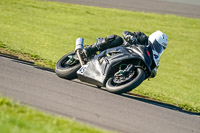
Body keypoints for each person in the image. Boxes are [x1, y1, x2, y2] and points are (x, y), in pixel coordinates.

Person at [83, 30, 168, 78]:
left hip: (130, 59)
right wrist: (130, 37)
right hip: (121, 49)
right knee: (117, 38)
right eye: (157, 45)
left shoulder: (154, 57)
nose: (158, 48)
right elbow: (126, 32)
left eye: (160, 48)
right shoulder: (142, 37)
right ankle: (90, 49)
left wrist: (152, 72)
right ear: (153, 39)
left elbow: (153, 71)